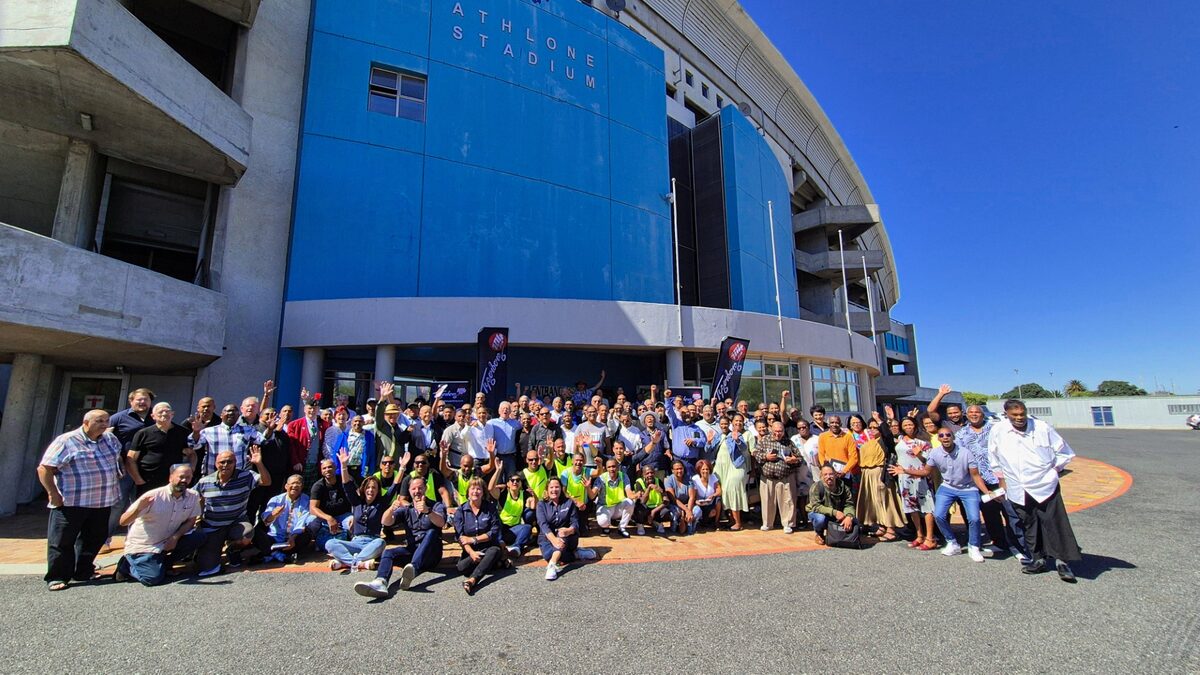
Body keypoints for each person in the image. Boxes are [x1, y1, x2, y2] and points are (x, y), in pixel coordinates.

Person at [988, 399, 1082, 582]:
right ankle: (1038, 559)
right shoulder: (998, 430)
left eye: (1022, 414)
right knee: (1029, 524)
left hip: (1044, 485)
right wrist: (1001, 481)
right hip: (1017, 487)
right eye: (1014, 415)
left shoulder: (1042, 427)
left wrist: (1053, 471)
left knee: (1054, 523)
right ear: (1006, 414)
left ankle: (1062, 562)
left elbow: (1064, 452)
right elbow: (994, 457)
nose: (1019, 418)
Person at [38, 410, 124, 590]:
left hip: (102, 501)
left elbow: (117, 459)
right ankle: (57, 576)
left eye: (106, 421)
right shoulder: (66, 441)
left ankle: (83, 571)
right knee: (62, 541)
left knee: (94, 539)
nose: (104, 424)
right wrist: (52, 493)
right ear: (86, 422)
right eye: (99, 421)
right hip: (72, 501)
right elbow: (44, 468)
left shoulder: (110, 439)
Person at [892, 427, 989, 563]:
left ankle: (974, 546)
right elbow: (926, 471)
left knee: (974, 518)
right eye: (942, 435)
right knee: (938, 515)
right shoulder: (935, 453)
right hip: (947, 487)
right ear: (938, 438)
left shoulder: (966, 453)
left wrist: (986, 491)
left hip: (968, 488)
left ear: (953, 437)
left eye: (948, 435)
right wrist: (905, 471)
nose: (945, 437)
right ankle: (952, 542)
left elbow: (975, 475)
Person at [956, 405, 1029, 561]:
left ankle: (1020, 547)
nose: (974, 414)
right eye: (971, 412)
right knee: (990, 514)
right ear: (966, 415)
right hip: (979, 481)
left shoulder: (996, 429)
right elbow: (960, 456)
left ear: (983, 414)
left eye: (977, 412)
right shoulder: (961, 434)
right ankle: (1000, 543)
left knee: (1011, 513)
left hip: (1001, 478)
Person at [354, 478, 447, 598]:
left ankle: (413, 568)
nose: (417, 491)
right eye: (413, 488)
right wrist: (391, 509)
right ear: (409, 491)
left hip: (431, 555)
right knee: (388, 553)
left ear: (425, 488)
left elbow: (441, 522)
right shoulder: (407, 509)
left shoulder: (436, 506)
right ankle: (380, 582)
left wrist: (428, 511)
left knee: (432, 532)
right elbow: (386, 522)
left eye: (420, 488)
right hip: (412, 551)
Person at [114, 463, 205, 586]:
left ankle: (162, 565)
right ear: (170, 477)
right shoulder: (153, 496)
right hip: (144, 546)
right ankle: (126, 566)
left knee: (198, 537)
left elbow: (191, 521)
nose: (184, 480)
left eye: (188, 477)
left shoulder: (193, 496)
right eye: (181, 477)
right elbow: (123, 521)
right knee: (152, 579)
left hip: (167, 542)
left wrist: (175, 537)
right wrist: (138, 509)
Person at [193, 448, 272, 576]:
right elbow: (191, 497)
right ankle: (204, 552)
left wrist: (259, 463)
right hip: (213, 526)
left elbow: (266, 482)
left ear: (235, 463)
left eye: (230, 462)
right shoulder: (205, 482)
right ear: (216, 464)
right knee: (206, 567)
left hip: (236, 523)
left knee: (246, 535)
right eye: (222, 462)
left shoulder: (246, 476)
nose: (226, 465)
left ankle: (232, 550)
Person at [324, 450, 388, 570]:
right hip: (355, 542)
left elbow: (394, 487)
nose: (370, 490)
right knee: (330, 543)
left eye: (374, 488)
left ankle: (345, 563)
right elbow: (347, 485)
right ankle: (358, 563)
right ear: (363, 489)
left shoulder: (381, 503)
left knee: (381, 543)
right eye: (368, 487)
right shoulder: (356, 502)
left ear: (378, 490)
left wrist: (402, 468)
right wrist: (343, 466)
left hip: (372, 543)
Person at [127, 402, 195, 495]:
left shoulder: (183, 432)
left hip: (174, 480)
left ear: (172, 414)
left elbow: (192, 454)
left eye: (167, 411)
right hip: (148, 481)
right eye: (160, 412)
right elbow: (131, 459)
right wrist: (138, 480)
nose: (164, 414)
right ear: (153, 416)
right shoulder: (143, 433)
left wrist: (191, 470)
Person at [537, 476, 597, 580]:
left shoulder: (569, 503)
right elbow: (543, 525)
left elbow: (575, 523)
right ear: (547, 489)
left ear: (561, 488)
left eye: (557, 487)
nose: (554, 490)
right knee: (547, 555)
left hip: (568, 537)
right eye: (551, 487)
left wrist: (569, 531)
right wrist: (554, 539)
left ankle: (552, 565)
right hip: (548, 537)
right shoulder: (541, 504)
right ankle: (576, 554)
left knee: (562, 535)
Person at [453, 477, 505, 595]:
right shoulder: (461, 511)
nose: (475, 492)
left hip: (488, 547)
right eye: (472, 488)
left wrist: (474, 539)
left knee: (494, 551)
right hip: (470, 550)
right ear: (468, 492)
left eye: (478, 489)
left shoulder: (490, 508)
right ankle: (494, 563)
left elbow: (494, 531)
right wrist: (472, 553)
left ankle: (473, 580)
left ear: (483, 492)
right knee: (461, 568)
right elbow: (460, 537)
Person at [891, 416, 936, 550]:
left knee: (927, 507)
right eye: (905, 425)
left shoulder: (923, 442)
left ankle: (930, 538)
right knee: (911, 508)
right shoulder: (900, 439)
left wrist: (920, 453)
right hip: (904, 476)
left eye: (910, 424)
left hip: (920, 476)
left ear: (915, 425)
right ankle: (919, 535)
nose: (908, 427)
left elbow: (930, 460)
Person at [856, 426, 906, 542]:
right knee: (874, 502)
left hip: (880, 472)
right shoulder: (867, 443)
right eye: (871, 427)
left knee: (885, 500)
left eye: (876, 428)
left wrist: (880, 421)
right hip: (867, 473)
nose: (873, 430)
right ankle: (881, 526)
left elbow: (887, 435)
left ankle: (890, 529)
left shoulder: (885, 442)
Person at [191, 402, 265, 476]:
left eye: (234, 412)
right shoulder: (209, 431)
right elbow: (194, 445)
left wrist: (269, 429)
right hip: (212, 477)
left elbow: (263, 441)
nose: (231, 413)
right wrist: (196, 432)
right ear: (221, 415)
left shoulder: (248, 430)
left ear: (238, 416)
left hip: (238, 477)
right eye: (228, 411)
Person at [260, 473, 316, 564]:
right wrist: (273, 515)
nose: (295, 486)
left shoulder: (306, 500)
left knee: (308, 532)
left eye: (298, 484)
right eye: (292, 483)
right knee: (256, 533)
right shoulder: (276, 500)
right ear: (286, 486)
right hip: (275, 537)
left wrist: (293, 537)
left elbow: (302, 521)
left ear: (302, 487)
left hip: (293, 538)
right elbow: (265, 520)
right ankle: (279, 555)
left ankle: (271, 554)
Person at [754, 421, 800, 533]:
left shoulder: (789, 442)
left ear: (783, 431)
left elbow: (799, 458)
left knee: (787, 501)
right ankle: (767, 523)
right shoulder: (764, 440)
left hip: (785, 476)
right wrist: (766, 457)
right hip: (767, 477)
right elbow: (756, 454)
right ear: (771, 430)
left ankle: (788, 524)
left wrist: (794, 460)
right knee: (767, 501)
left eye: (780, 431)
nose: (778, 434)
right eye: (775, 431)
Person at [712, 414, 749, 531]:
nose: (724, 426)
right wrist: (708, 442)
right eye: (722, 424)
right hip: (721, 468)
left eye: (726, 424)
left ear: (730, 424)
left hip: (735, 466)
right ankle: (732, 520)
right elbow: (709, 449)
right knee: (725, 493)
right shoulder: (718, 436)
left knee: (732, 491)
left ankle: (738, 522)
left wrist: (737, 440)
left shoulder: (736, 434)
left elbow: (744, 448)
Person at [489, 466, 537, 557]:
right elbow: (490, 488)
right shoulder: (503, 493)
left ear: (521, 483)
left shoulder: (524, 494)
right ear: (508, 483)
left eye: (518, 480)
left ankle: (516, 548)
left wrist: (534, 496)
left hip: (513, 530)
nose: (515, 482)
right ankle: (500, 545)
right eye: (512, 480)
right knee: (496, 522)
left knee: (527, 527)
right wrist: (498, 470)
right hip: (500, 528)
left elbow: (534, 506)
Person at [286, 392, 330, 487]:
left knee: (314, 490)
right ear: (305, 409)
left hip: (317, 464)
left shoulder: (325, 425)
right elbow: (291, 446)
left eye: (314, 408)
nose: (312, 411)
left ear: (318, 410)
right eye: (309, 408)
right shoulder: (294, 425)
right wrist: (295, 461)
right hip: (300, 464)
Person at [807, 463, 857, 546]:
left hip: (838, 514)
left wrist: (848, 516)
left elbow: (849, 504)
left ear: (835, 475)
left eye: (831, 474)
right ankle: (819, 534)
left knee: (854, 520)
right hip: (819, 513)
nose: (828, 477)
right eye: (825, 474)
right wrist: (834, 512)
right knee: (820, 519)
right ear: (821, 476)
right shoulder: (816, 487)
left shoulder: (843, 487)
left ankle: (840, 534)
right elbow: (816, 506)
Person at [309, 458, 354, 548]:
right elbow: (313, 508)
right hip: (324, 517)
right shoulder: (318, 486)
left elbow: (355, 498)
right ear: (321, 471)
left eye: (330, 467)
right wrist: (329, 518)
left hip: (343, 515)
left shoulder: (343, 480)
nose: (327, 470)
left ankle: (353, 543)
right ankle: (312, 542)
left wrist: (354, 516)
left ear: (335, 468)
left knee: (354, 522)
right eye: (324, 468)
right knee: (311, 521)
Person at [590, 458, 636, 537]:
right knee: (603, 522)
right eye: (609, 467)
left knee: (630, 502)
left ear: (618, 467)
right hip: (605, 506)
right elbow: (592, 496)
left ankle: (622, 527)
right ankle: (606, 526)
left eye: (614, 466)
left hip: (618, 506)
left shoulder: (623, 476)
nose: (612, 469)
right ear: (606, 468)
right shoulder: (601, 478)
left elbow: (629, 494)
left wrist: (636, 495)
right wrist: (588, 487)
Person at [817, 415, 859, 484]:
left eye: (837, 423)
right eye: (832, 422)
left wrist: (844, 471)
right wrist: (827, 470)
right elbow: (821, 455)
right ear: (828, 424)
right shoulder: (822, 436)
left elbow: (854, 458)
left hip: (844, 475)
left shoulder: (848, 437)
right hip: (829, 475)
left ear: (841, 424)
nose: (834, 425)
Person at [662, 460, 696, 534]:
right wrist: (686, 510)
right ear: (672, 470)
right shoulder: (669, 480)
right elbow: (673, 499)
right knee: (676, 513)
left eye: (681, 468)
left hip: (687, 504)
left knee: (697, 511)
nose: (679, 471)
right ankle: (675, 525)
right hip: (674, 504)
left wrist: (689, 510)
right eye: (677, 469)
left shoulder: (689, 479)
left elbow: (691, 497)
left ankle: (691, 525)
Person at [690, 459, 723, 531]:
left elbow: (719, 491)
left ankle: (716, 522)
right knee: (697, 510)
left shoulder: (713, 476)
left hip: (710, 502)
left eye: (707, 469)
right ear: (699, 470)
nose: (705, 471)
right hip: (699, 503)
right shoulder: (695, 479)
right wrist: (696, 501)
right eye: (703, 469)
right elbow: (693, 494)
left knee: (718, 500)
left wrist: (713, 495)